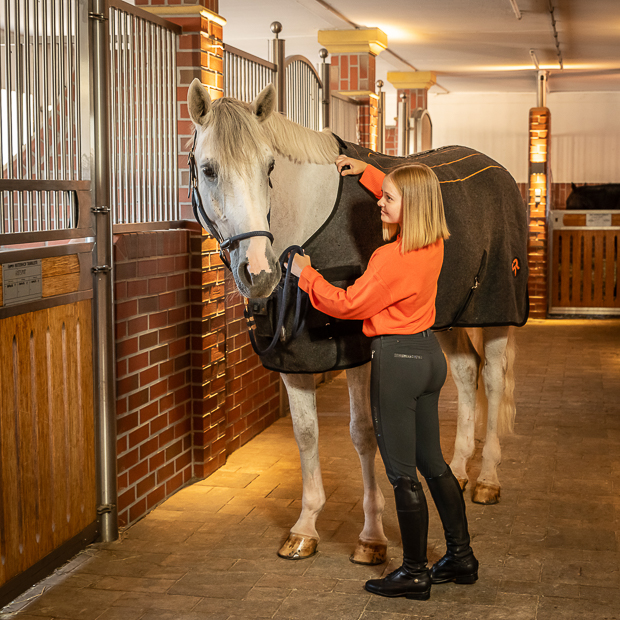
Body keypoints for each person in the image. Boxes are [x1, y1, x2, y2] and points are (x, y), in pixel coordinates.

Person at [288, 155, 478, 601]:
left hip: (397, 363)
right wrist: (370, 175)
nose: (380, 203)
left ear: (410, 206)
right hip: (430, 356)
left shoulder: (390, 258)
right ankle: (461, 557)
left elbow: (348, 304)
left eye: (388, 199)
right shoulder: (433, 245)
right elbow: (408, 197)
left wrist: (306, 276)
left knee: (401, 474)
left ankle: (414, 572)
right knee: (433, 463)